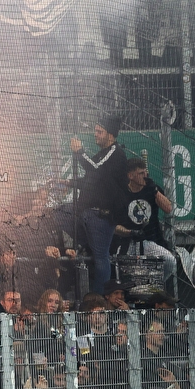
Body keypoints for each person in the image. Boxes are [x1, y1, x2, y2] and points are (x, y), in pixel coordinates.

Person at [70, 115, 128, 294]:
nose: (95, 134)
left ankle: (100, 297)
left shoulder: (114, 152)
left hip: (101, 215)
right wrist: (67, 183)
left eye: (99, 131)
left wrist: (80, 152)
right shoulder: (102, 153)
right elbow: (90, 179)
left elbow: (95, 168)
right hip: (89, 213)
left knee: (102, 257)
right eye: (95, 131)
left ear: (110, 135)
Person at [113, 157, 177, 291]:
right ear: (131, 175)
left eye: (145, 172)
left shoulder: (151, 188)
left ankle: (152, 287)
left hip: (149, 241)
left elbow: (168, 208)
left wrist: (154, 190)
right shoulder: (121, 193)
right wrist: (130, 232)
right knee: (125, 277)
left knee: (170, 261)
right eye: (141, 173)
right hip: (128, 242)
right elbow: (114, 226)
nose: (145, 175)